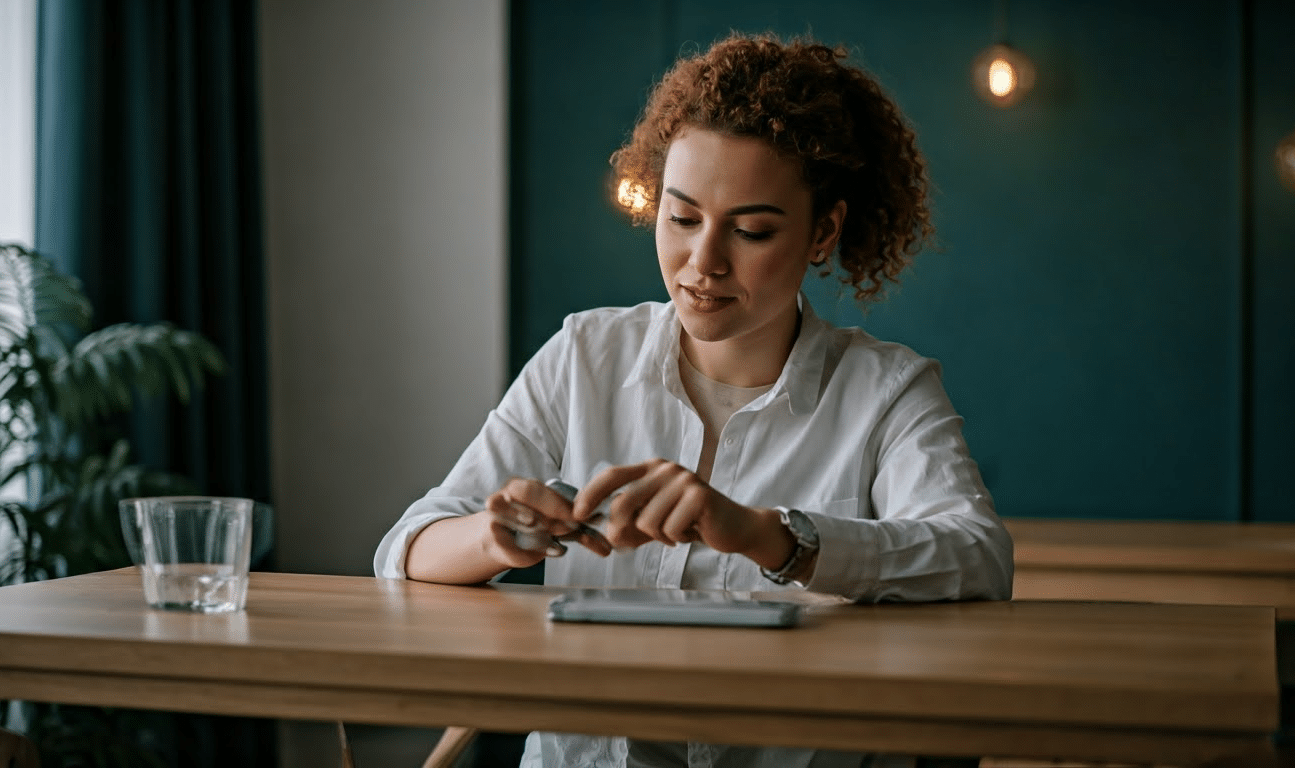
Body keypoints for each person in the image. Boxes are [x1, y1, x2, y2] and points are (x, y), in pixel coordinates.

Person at [375, 32, 1013, 768]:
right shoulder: (584, 356)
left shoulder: (886, 391)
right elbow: (408, 546)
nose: (702, 263)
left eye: (751, 230)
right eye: (680, 219)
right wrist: (499, 541)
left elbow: (978, 558)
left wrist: (770, 537)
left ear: (823, 232)